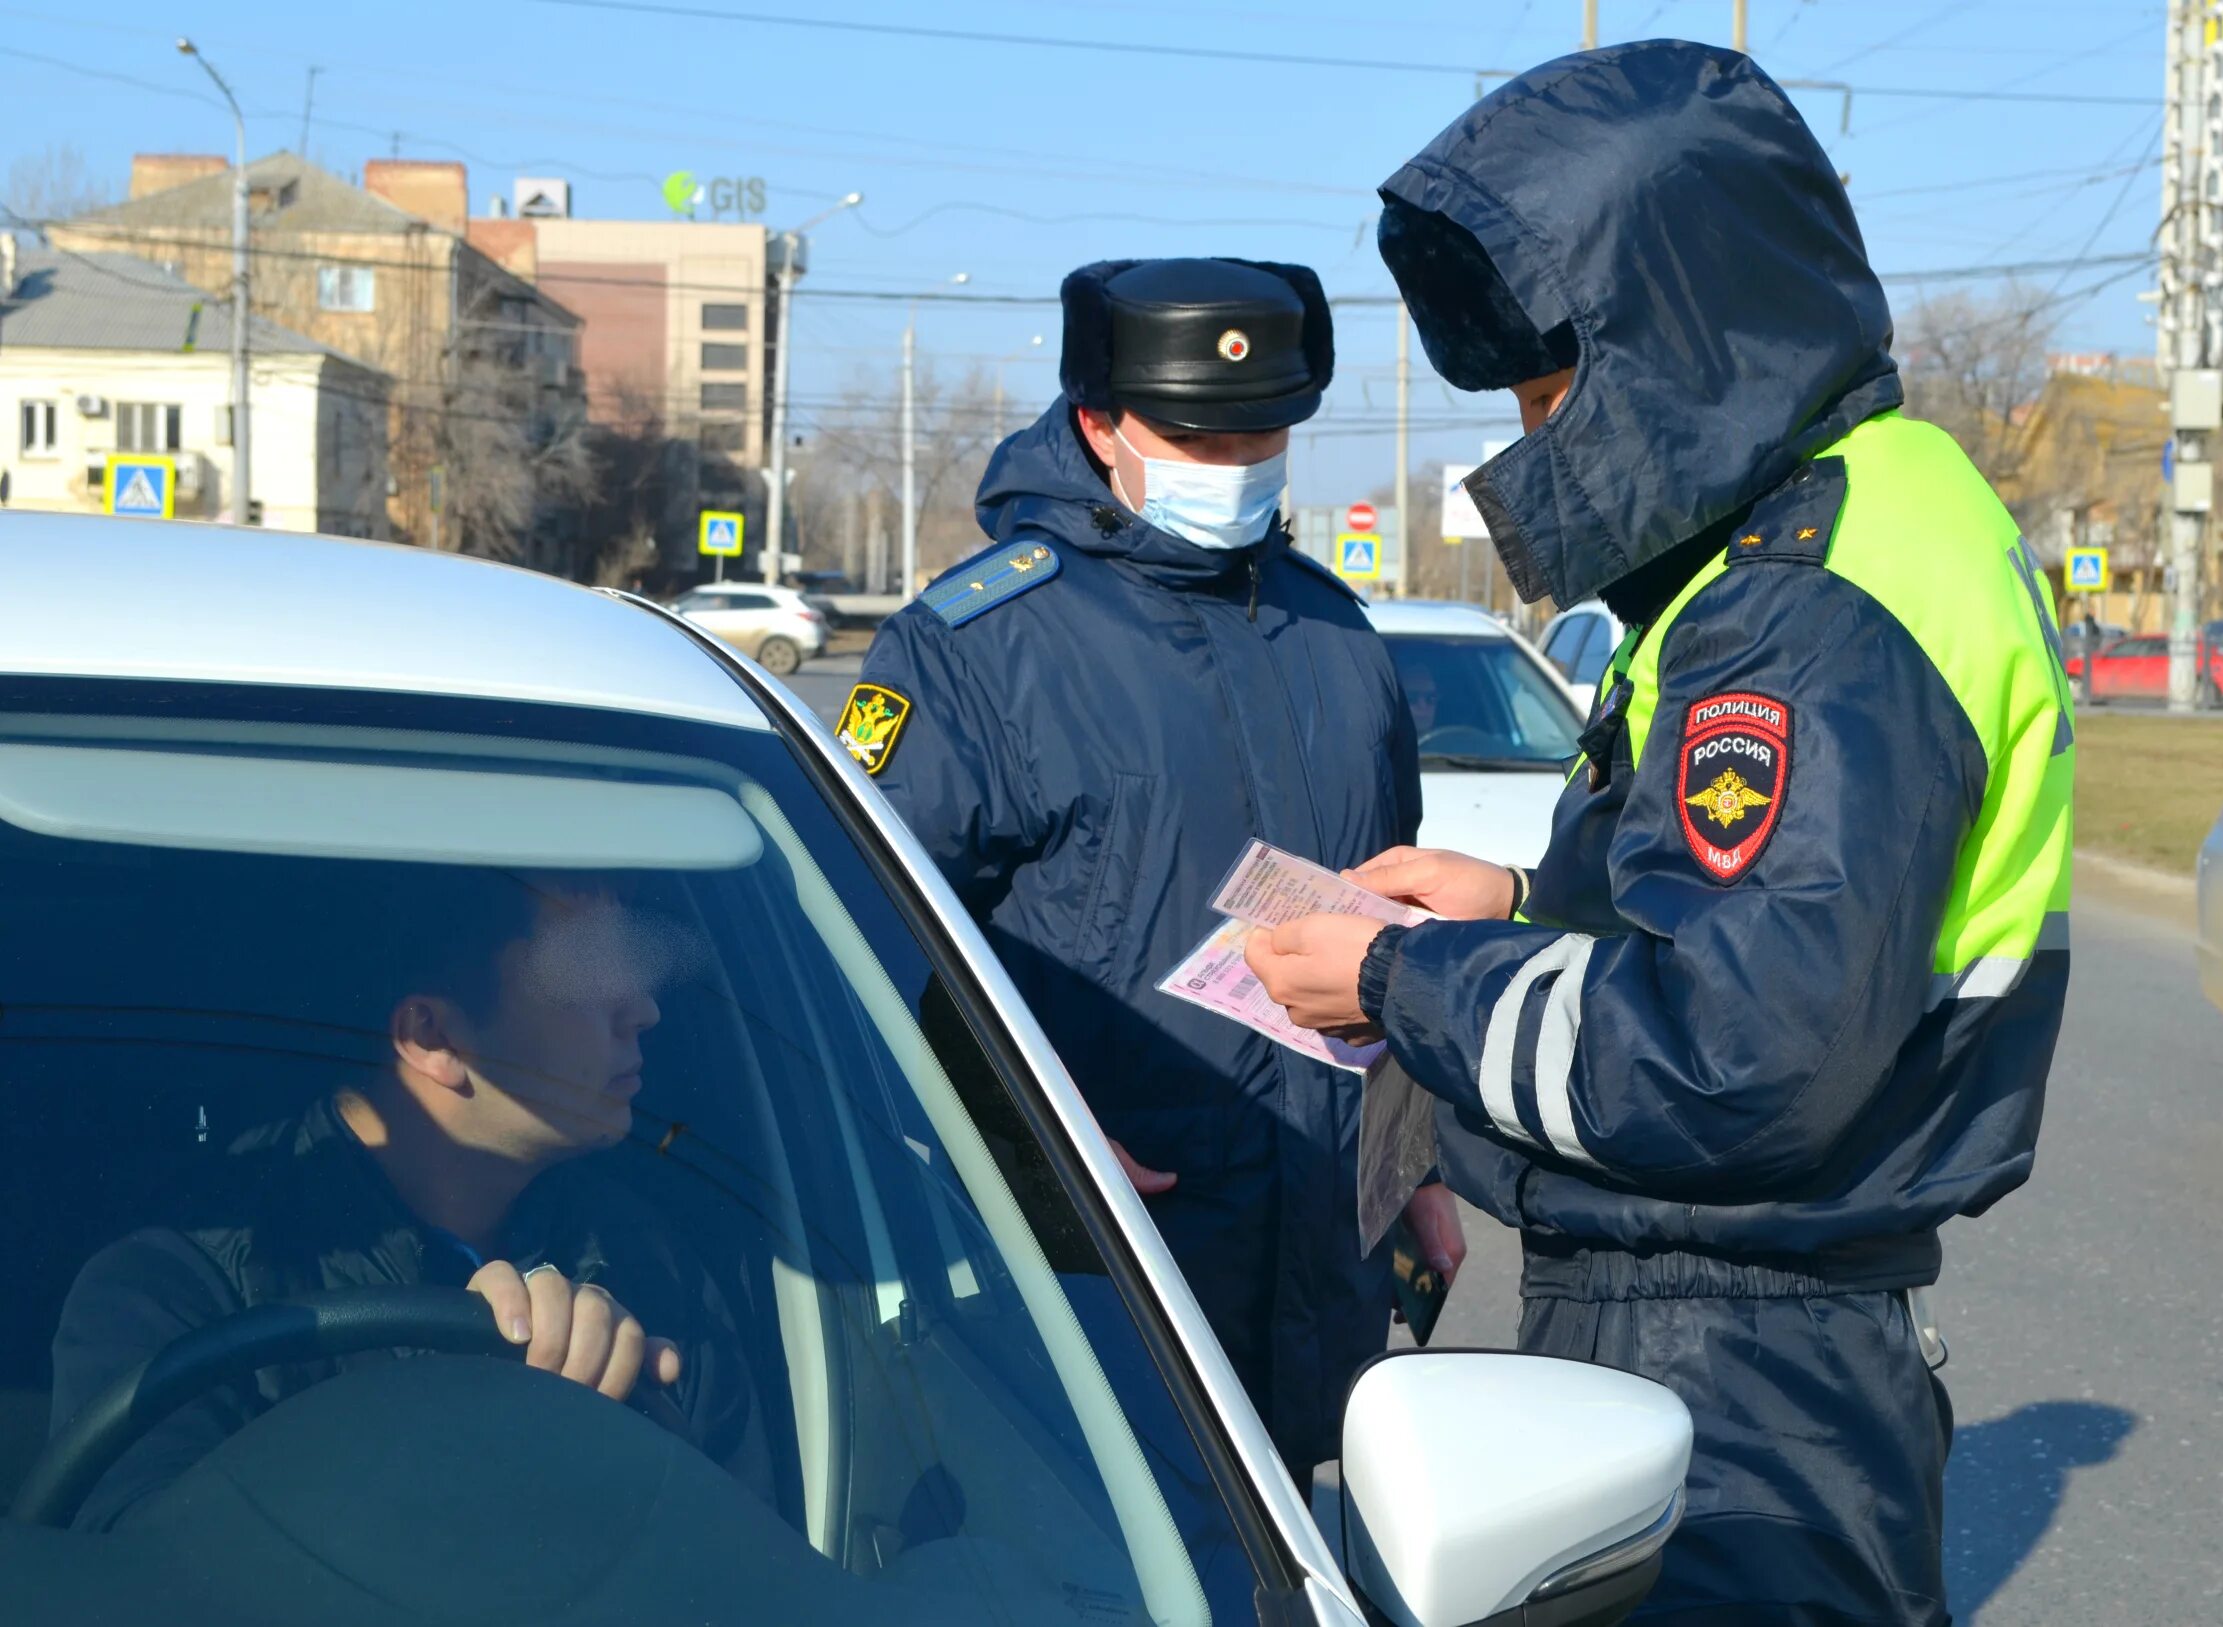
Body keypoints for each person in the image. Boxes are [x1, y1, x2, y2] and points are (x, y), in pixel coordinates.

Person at [1246, 42, 2071, 1625]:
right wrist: (1502, 898)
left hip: (1727, 1369)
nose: (1535, 429)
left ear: (1680, 330)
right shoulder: (1823, 528)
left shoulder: (1804, 600)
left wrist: (1407, 977)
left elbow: (1731, 1054)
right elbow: (1725, 922)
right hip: (1748, 1352)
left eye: (1553, 380)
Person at [843, 257, 1459, 1479]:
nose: (1231, 465)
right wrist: (1028, 1136)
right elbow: (863, 935)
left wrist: (1418, 1170)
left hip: (1318, 1261)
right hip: (1100, 1273)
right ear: (1096, 423)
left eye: (1260, 433)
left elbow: (1383, 926)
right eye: (1191, 435)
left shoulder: (1338, 636)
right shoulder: (973, 646)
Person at [50, 874, 770, 1531]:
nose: (643, 1008)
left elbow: (746, 1569)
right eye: (588, 967)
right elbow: (137, 1581)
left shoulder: (647, 1263)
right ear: (431, 1035)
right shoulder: (174, 1291)